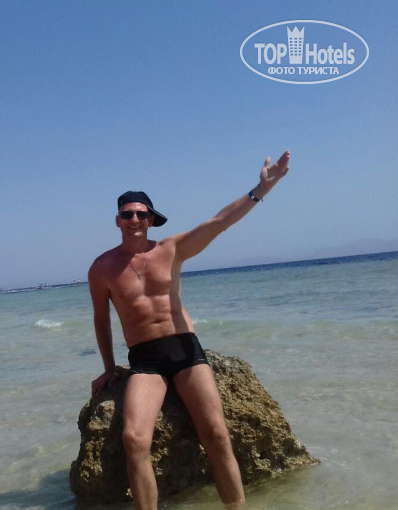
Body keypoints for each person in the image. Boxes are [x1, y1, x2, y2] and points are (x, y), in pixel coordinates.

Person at [88, 151, 290, 509]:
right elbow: (101, 320)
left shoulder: (172, 249)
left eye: (141, 214)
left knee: (216, 433)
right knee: (134, 439)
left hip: (185, 352)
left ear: (151, 219)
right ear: (117, 221)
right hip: (145, 361)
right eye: (127, 214)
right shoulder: (102, 267)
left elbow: (218, 222)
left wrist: (260, 190)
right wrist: (108, 368)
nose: (134, 219)